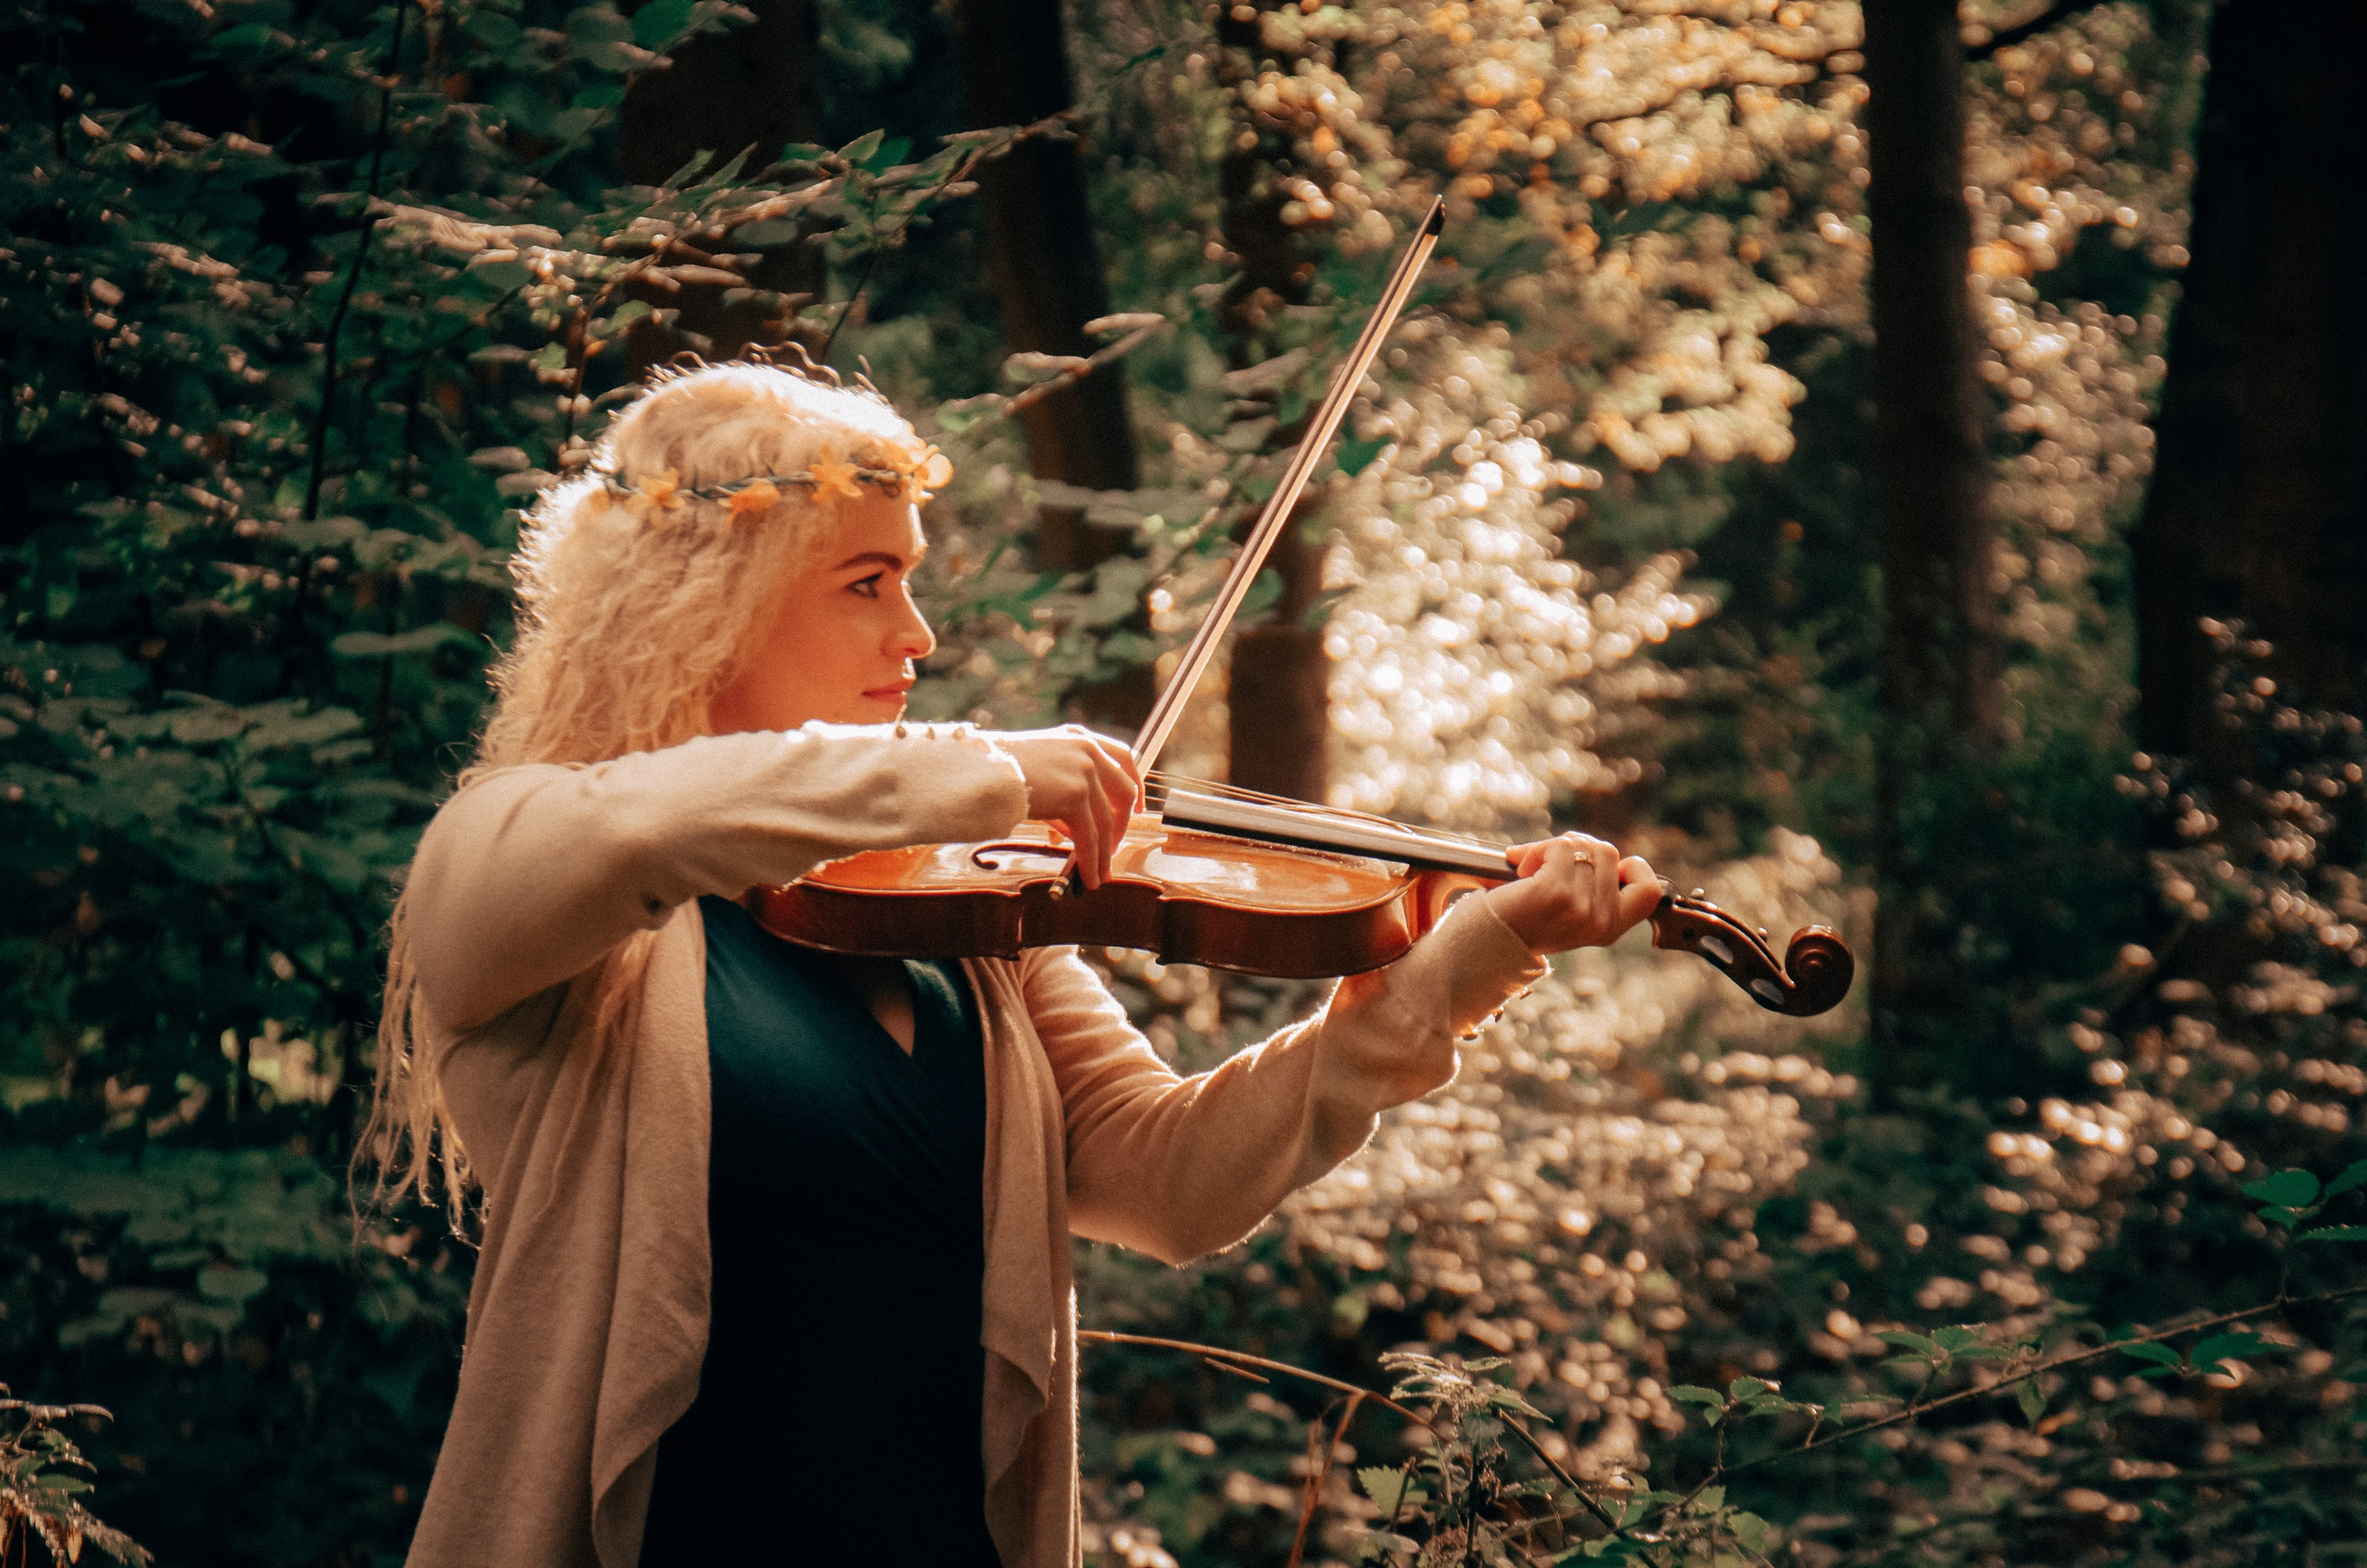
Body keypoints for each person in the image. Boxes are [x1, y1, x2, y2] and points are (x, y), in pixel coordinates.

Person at [366, 360, 1662, 1568]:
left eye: (912, 583)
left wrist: (1469, 952)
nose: (917, 634)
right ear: (710, 603)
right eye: (867, 583)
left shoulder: (953, 928)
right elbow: (648, 820)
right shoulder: (517, 864)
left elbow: (1176, 1182)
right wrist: (984, 768)